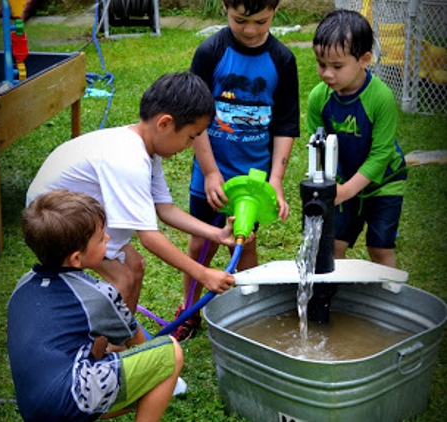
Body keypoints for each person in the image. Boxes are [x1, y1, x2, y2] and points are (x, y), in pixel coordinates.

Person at [26, 72, 237, 316]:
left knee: (135, 266)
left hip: (71, 211)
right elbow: (149, 237)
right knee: (123, 278)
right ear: (164, 123)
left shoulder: (146, 147)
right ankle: (105, 351)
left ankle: (123, 342)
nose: (190, 146)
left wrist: (217, 234)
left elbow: (165, 208)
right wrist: (203, 273)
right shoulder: (129, 160)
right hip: (51, 221)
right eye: (190, 137)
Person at [173, 0, 300, 342]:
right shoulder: (210, 52)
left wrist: (275, 181)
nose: (250, 30)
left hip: (254, 181)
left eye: (261, 21)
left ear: (275, 10)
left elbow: (286, 125)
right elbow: (193, 117)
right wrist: (211, 172)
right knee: (200, 242)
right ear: (225, 7)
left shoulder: (283, 60)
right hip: (210, 174)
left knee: (246, 245)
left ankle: (250, 315)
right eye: (240, 19)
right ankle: (189, 310)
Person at [8, 189, 184, 422]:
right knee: (170, 354)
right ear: (76, 259)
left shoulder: (22, 287)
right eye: (101, 238)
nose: (108, 239)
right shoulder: (97, 294)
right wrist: (164, 373)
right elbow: (139, 342)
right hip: (71, 397)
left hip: (32, 406)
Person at [306, 9, 407, 322]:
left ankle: (393, 309)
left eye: (337, 66)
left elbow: (380, 155)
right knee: (334, 244)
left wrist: (347, 190)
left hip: (384, 183)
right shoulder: (318, 98)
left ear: (364, 60)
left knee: (380, 247)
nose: (327, 74)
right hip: (342, 182)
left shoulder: (381, 98)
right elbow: (317, 148)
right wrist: (328, 187)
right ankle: (329, 302)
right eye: (321, 64)